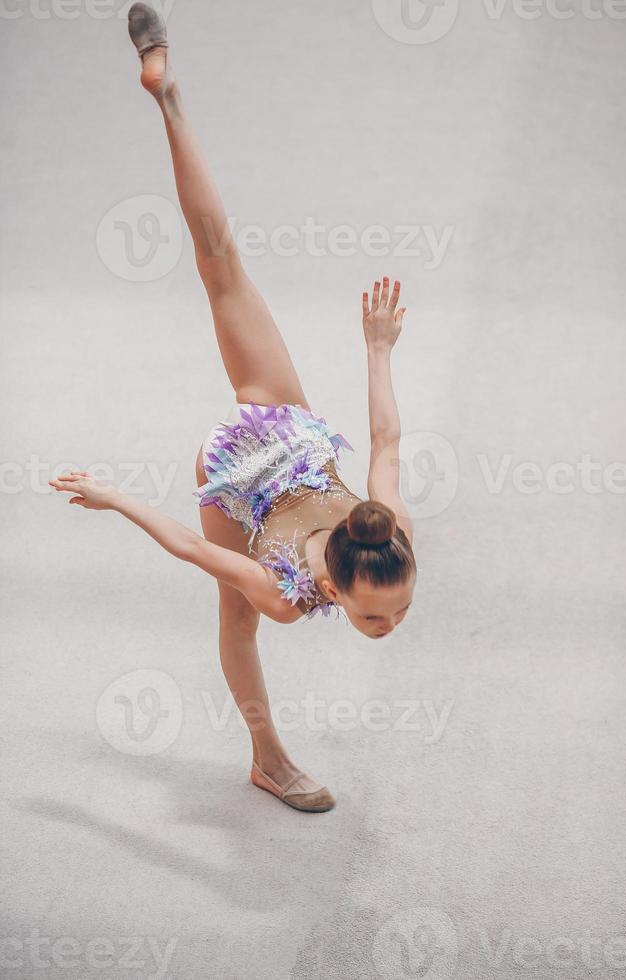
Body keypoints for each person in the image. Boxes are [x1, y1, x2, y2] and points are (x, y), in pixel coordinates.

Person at [49, 3, 417, 813]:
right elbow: (190, 544)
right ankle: (268, 760)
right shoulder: (286, 594)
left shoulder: (386, 533)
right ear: (346, 593)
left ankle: (172, 96)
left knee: (222, 266)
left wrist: (379, 350)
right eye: (381, 619)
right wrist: (114, 499)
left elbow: (386, 440)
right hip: (242, 461)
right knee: (239, 611)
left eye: (394, 613)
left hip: (280, 428)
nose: (389, 624)